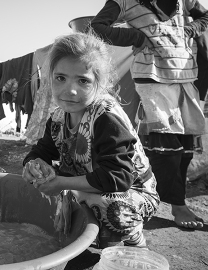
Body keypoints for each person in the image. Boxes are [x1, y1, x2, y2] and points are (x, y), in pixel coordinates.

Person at [22, 31, 160, 248]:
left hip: (132, 193)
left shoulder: (106, 117)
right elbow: (42, 151)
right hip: (94, 188)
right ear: (50, 78)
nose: (70, 90)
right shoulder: (58, 118)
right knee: (62, 196)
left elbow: (118, 177)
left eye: (83, 81)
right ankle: (90, 240)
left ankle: (135, 241)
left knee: (111, 209)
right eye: (61, 78)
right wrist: (33, 165)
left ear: (99, 82)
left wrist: (62, 184)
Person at [91, 0, 208, 229]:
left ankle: (175, 201)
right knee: (166, 144)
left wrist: (190, 29)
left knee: (185, 147)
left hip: (185, 76)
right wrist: (136, 38)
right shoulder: (126, 2)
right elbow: (96, 27)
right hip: (153, 79)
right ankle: (170, 203)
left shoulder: (185, 2)